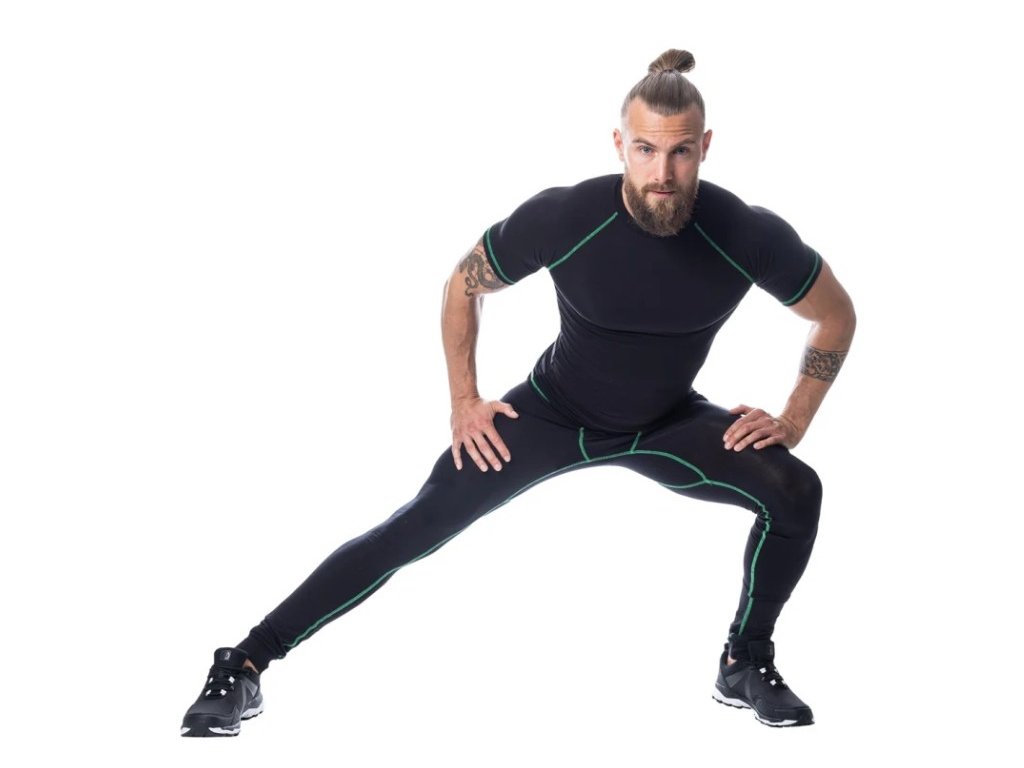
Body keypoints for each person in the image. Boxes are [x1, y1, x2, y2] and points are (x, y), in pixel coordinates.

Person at [180, 48, 856, 736]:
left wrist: (793, 419)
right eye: (646, 150)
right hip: (553, 414)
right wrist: (464, 401)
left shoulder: (745, 234)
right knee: (415, 525)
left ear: (705, 146)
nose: (662, 173)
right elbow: (462, 286)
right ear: (619, 143)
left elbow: (835, 314)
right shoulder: (567, 217)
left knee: (795, 491)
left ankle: (744, 661)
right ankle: (245, 663)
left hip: (666, 421)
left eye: (681, 152)